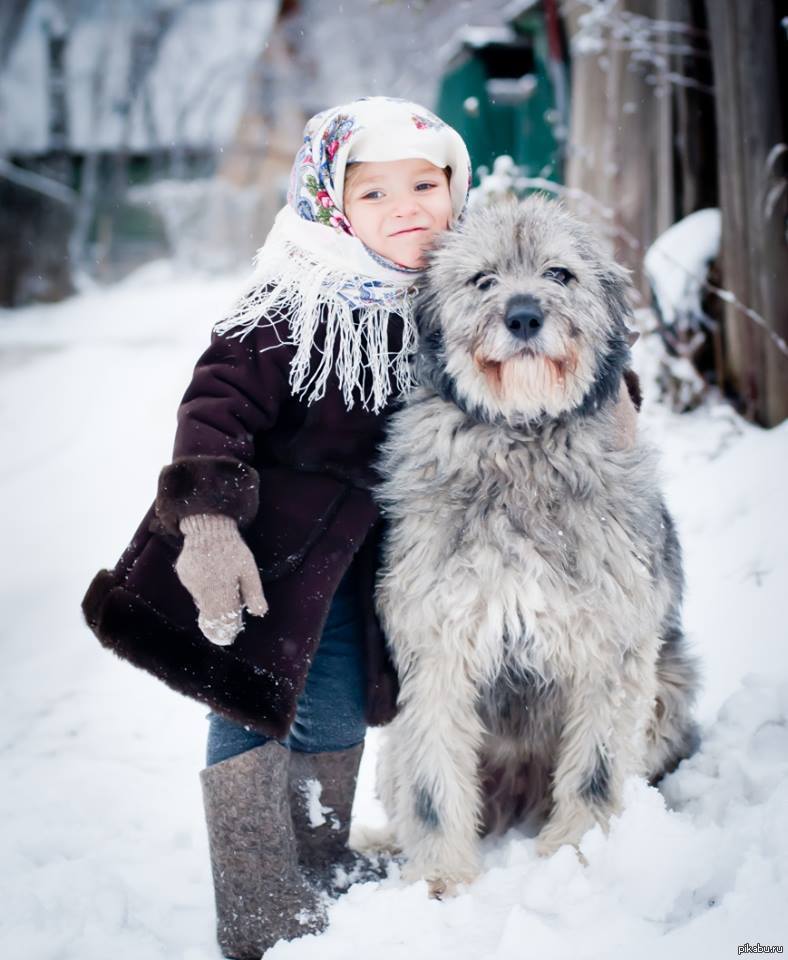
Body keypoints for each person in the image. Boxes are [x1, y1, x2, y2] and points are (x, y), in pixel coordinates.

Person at [82, 96, 639, 958]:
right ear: (329, 203)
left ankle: (321, 856)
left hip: (355, 557)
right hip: (264, 555)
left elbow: (558, 353)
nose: (407, 208)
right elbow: (213, 408)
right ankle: (257, 896)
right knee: (250, 701)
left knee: (336, 710)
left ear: (455, 187)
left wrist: (614, 392)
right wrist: (210, 527)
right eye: (374, 194)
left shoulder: (438, 286)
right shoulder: (287, 302)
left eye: (425, 183)